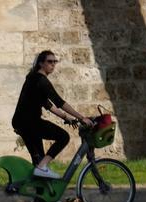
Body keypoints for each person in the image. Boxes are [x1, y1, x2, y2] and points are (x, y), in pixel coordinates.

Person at [12, 50, 95, 179]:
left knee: (39, 164)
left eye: (54, 62)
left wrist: (66, 118)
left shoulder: (33, 78)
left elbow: (47, 104)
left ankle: (40, 196)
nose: (53, 64)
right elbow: (59, 102)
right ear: (41, 63)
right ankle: (41, 167)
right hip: (29, 123)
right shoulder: (41, 80)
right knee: (63, 137)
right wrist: (81, 117)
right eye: (49, 62)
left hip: (24, 122)